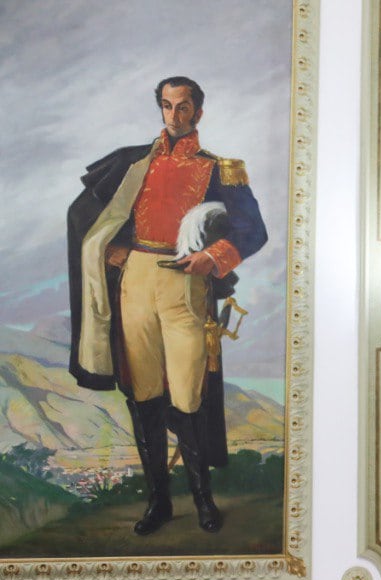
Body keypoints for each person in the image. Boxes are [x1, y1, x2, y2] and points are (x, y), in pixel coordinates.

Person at [67, 76, 268, 535]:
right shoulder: (132, 163)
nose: (174, 115)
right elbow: (86, 216)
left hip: (186, 288)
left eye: (183, 107)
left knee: (188, 398)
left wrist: (211, 258)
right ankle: (158, 503)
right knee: (143, 398)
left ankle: (203, 502)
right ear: (160, 109)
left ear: (198, 112)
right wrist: (112, 248)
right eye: (166, 106)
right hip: (134, 284)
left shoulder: (222, 169)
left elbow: (253, 231)